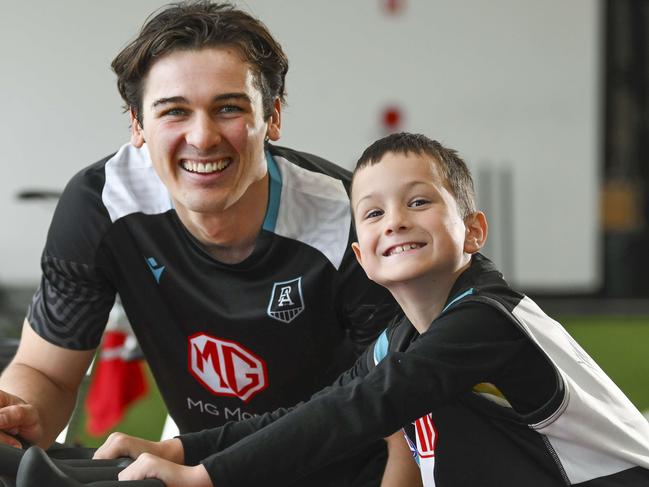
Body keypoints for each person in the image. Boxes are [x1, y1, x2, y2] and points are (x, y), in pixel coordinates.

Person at [96, 132, 649, 487]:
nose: (396, 222)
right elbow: (320, 406)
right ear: (360, 255)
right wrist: (176, 447)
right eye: (373, 213)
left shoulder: (486, 319)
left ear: (474, 231)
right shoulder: (403, 334)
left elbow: (357, 411)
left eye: (419, 202)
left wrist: (205, 479)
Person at [0, 1, 400, 485]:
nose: (202, 137)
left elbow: (403, 415)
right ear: (137, 124)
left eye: (228, 108)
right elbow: (46, 374)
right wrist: (23, 414)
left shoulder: (350, 219)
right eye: (174, 111)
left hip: (345, 468)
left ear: (272, 116)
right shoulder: (101, 204)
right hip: (200, 467)